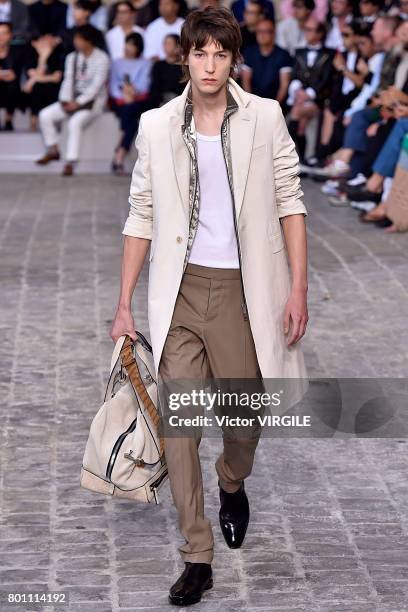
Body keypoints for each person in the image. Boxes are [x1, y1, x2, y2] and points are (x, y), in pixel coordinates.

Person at [111, 6, 308, 606]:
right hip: (181, 292)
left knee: (244, 421)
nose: (211, 64)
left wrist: (298, 287)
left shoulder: (265, 117)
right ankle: (197, 553)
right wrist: (124, 303)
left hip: (245, 292)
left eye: (222, 54)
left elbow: (289, 201)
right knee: (181, 427)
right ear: (185, 59)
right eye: (201, 53)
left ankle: (232, 480)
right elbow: (141, 213)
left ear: (234, 59)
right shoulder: (156, 126)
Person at [36, 24, 110, 176]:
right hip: (71, 101)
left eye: (79, 39)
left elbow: (96, 87)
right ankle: (53, 149)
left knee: (75, 122)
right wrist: (65, 101)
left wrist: (78, 103)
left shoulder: (102, 58)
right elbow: (68, 81)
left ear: (89, 41)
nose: (75, 41)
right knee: (45, 115)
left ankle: (71, 161)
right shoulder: (72, 57)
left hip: (92, 104)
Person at [287, 18, 334, 161]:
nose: (306, 32)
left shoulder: (329, 54)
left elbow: (326, 79)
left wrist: (309, 94)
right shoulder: (299, 51)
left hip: (317, 99)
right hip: (299, 96)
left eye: (310, 29)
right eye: (305, 29)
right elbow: (294, 74)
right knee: (301, 126)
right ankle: (304, 159)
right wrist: (298, 90)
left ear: (320, 34)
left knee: (296, 113)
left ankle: (283, 146)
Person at [109, 31, 152, 173]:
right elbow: (113, 85)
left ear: (138, 47)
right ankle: (119, 156)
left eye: (133, 45)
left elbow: (144, 84)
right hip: (119, 100)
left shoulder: (145, 63)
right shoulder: (116, 63)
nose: (129, 47)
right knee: (132, 120)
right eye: (127, 43)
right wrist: (123, 94)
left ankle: (119, 150)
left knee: (130, 111)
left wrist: (133, 93)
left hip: (137, 100)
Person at [240, 17, 293, 104]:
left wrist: (275, 106)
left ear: (274, 34)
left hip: (276, 103)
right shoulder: (249, 52)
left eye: (266, 32)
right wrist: (251, 104)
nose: (262, 35)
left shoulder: (284, 55)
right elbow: (246, 81)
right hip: (253, 102)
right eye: (259, 31)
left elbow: (284, 85)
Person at [22, 33, 64, 131]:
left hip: (54, 89)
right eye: (43, 40)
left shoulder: (57, 56)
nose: (47, 43)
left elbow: (56, 78)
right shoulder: (30, 57)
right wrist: (43, 58)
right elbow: (34, 74)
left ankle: (53, 122)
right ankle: (33, 123)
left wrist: (31, 81)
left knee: (48, 87)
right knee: (37, 87)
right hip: (36, 91)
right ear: (34, 43)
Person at [148, 32, 184, 107]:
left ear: (178, 47)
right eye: (165, 43)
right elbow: (154, 88)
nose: (165, 46)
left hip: (178, 103)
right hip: (160, 103)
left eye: (169, 44)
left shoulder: (184, 66)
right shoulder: (158, 65)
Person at [0, 21, 24, 129]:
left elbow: (19, 73)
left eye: (4, 33)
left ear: (10, 35)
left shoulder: (17, 52)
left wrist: (13, 76)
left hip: (12, 86)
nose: (1, 37)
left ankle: (8, 120)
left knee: (12, 87)